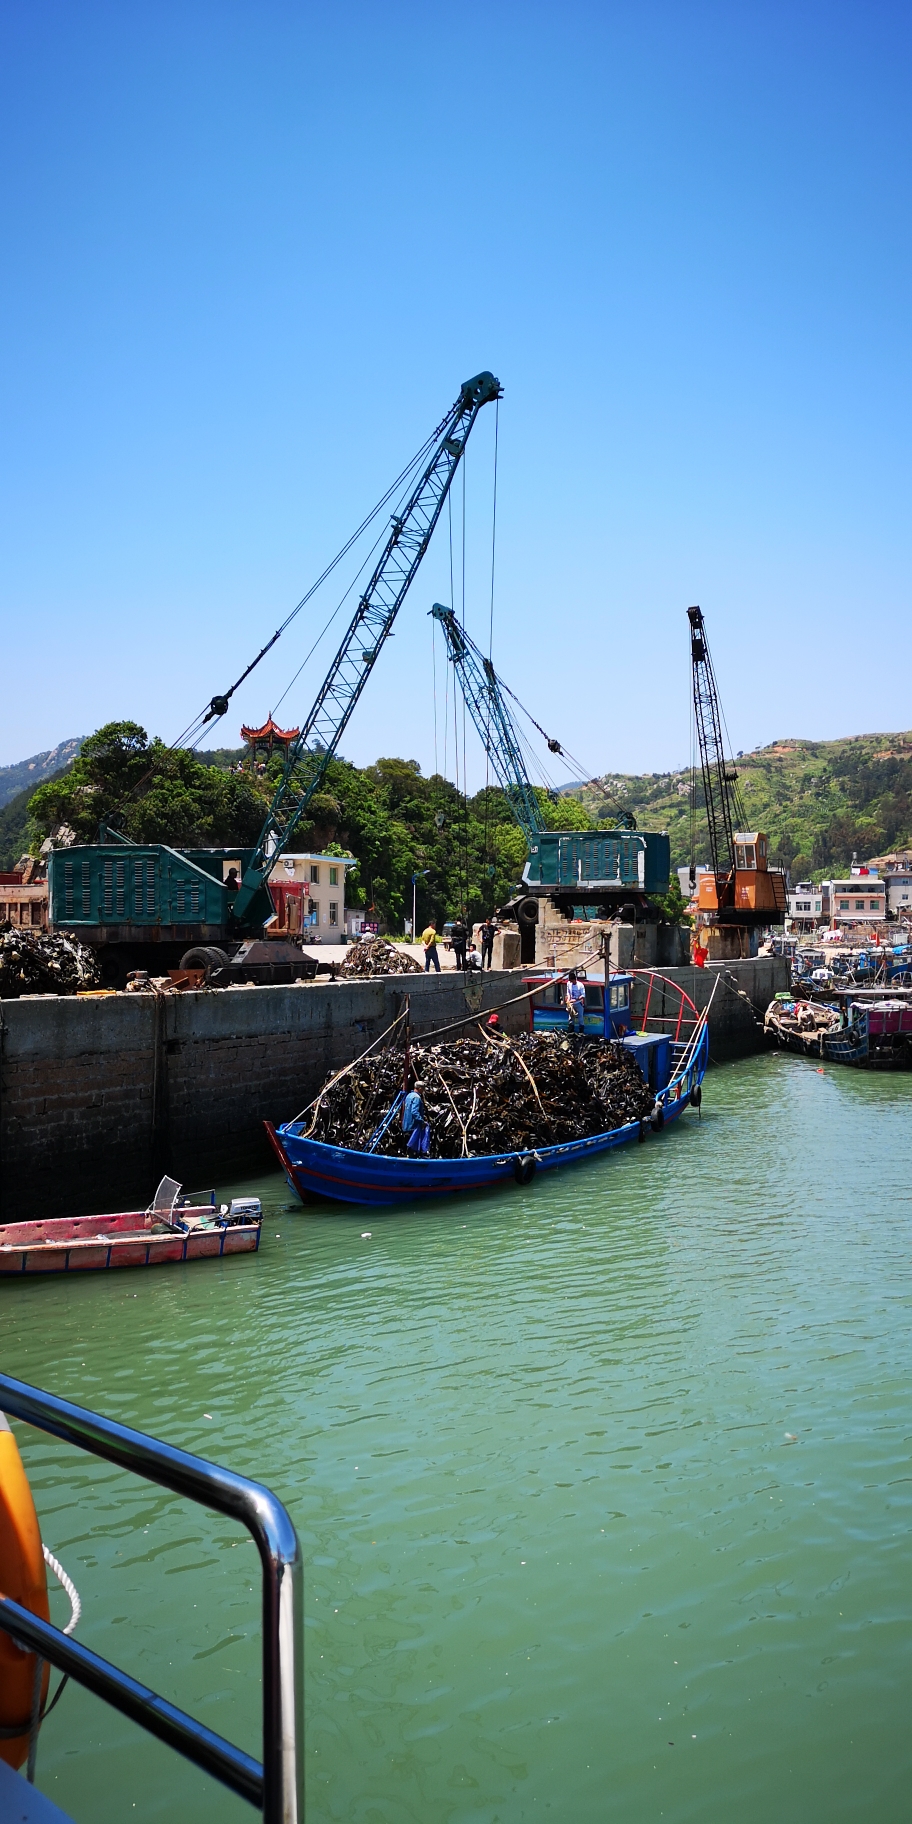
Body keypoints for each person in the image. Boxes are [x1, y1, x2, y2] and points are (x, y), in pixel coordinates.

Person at [402, 1079, 431, 1155]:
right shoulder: (417, 1098)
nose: (424, 1090)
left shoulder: (409, 1096)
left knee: (407, 1144)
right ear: (420, 1088)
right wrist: (422, 1121)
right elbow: (414, 1112)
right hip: (413, 1125)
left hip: (406, 1124)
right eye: (423, 1088)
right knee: (412, 1146)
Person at [564, 969, 586, 1040]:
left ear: (574, 979)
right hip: (571, 1004)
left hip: (578, 1003)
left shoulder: (580, 985)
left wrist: (576, 999)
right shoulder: (568, 984)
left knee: (580, 1018)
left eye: (571, 980)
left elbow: (582, 995)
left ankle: (581, 1032)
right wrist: (568, 1000)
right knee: (571, 1018)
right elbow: (568, 993)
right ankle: (571, 1031)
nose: (571, 982)